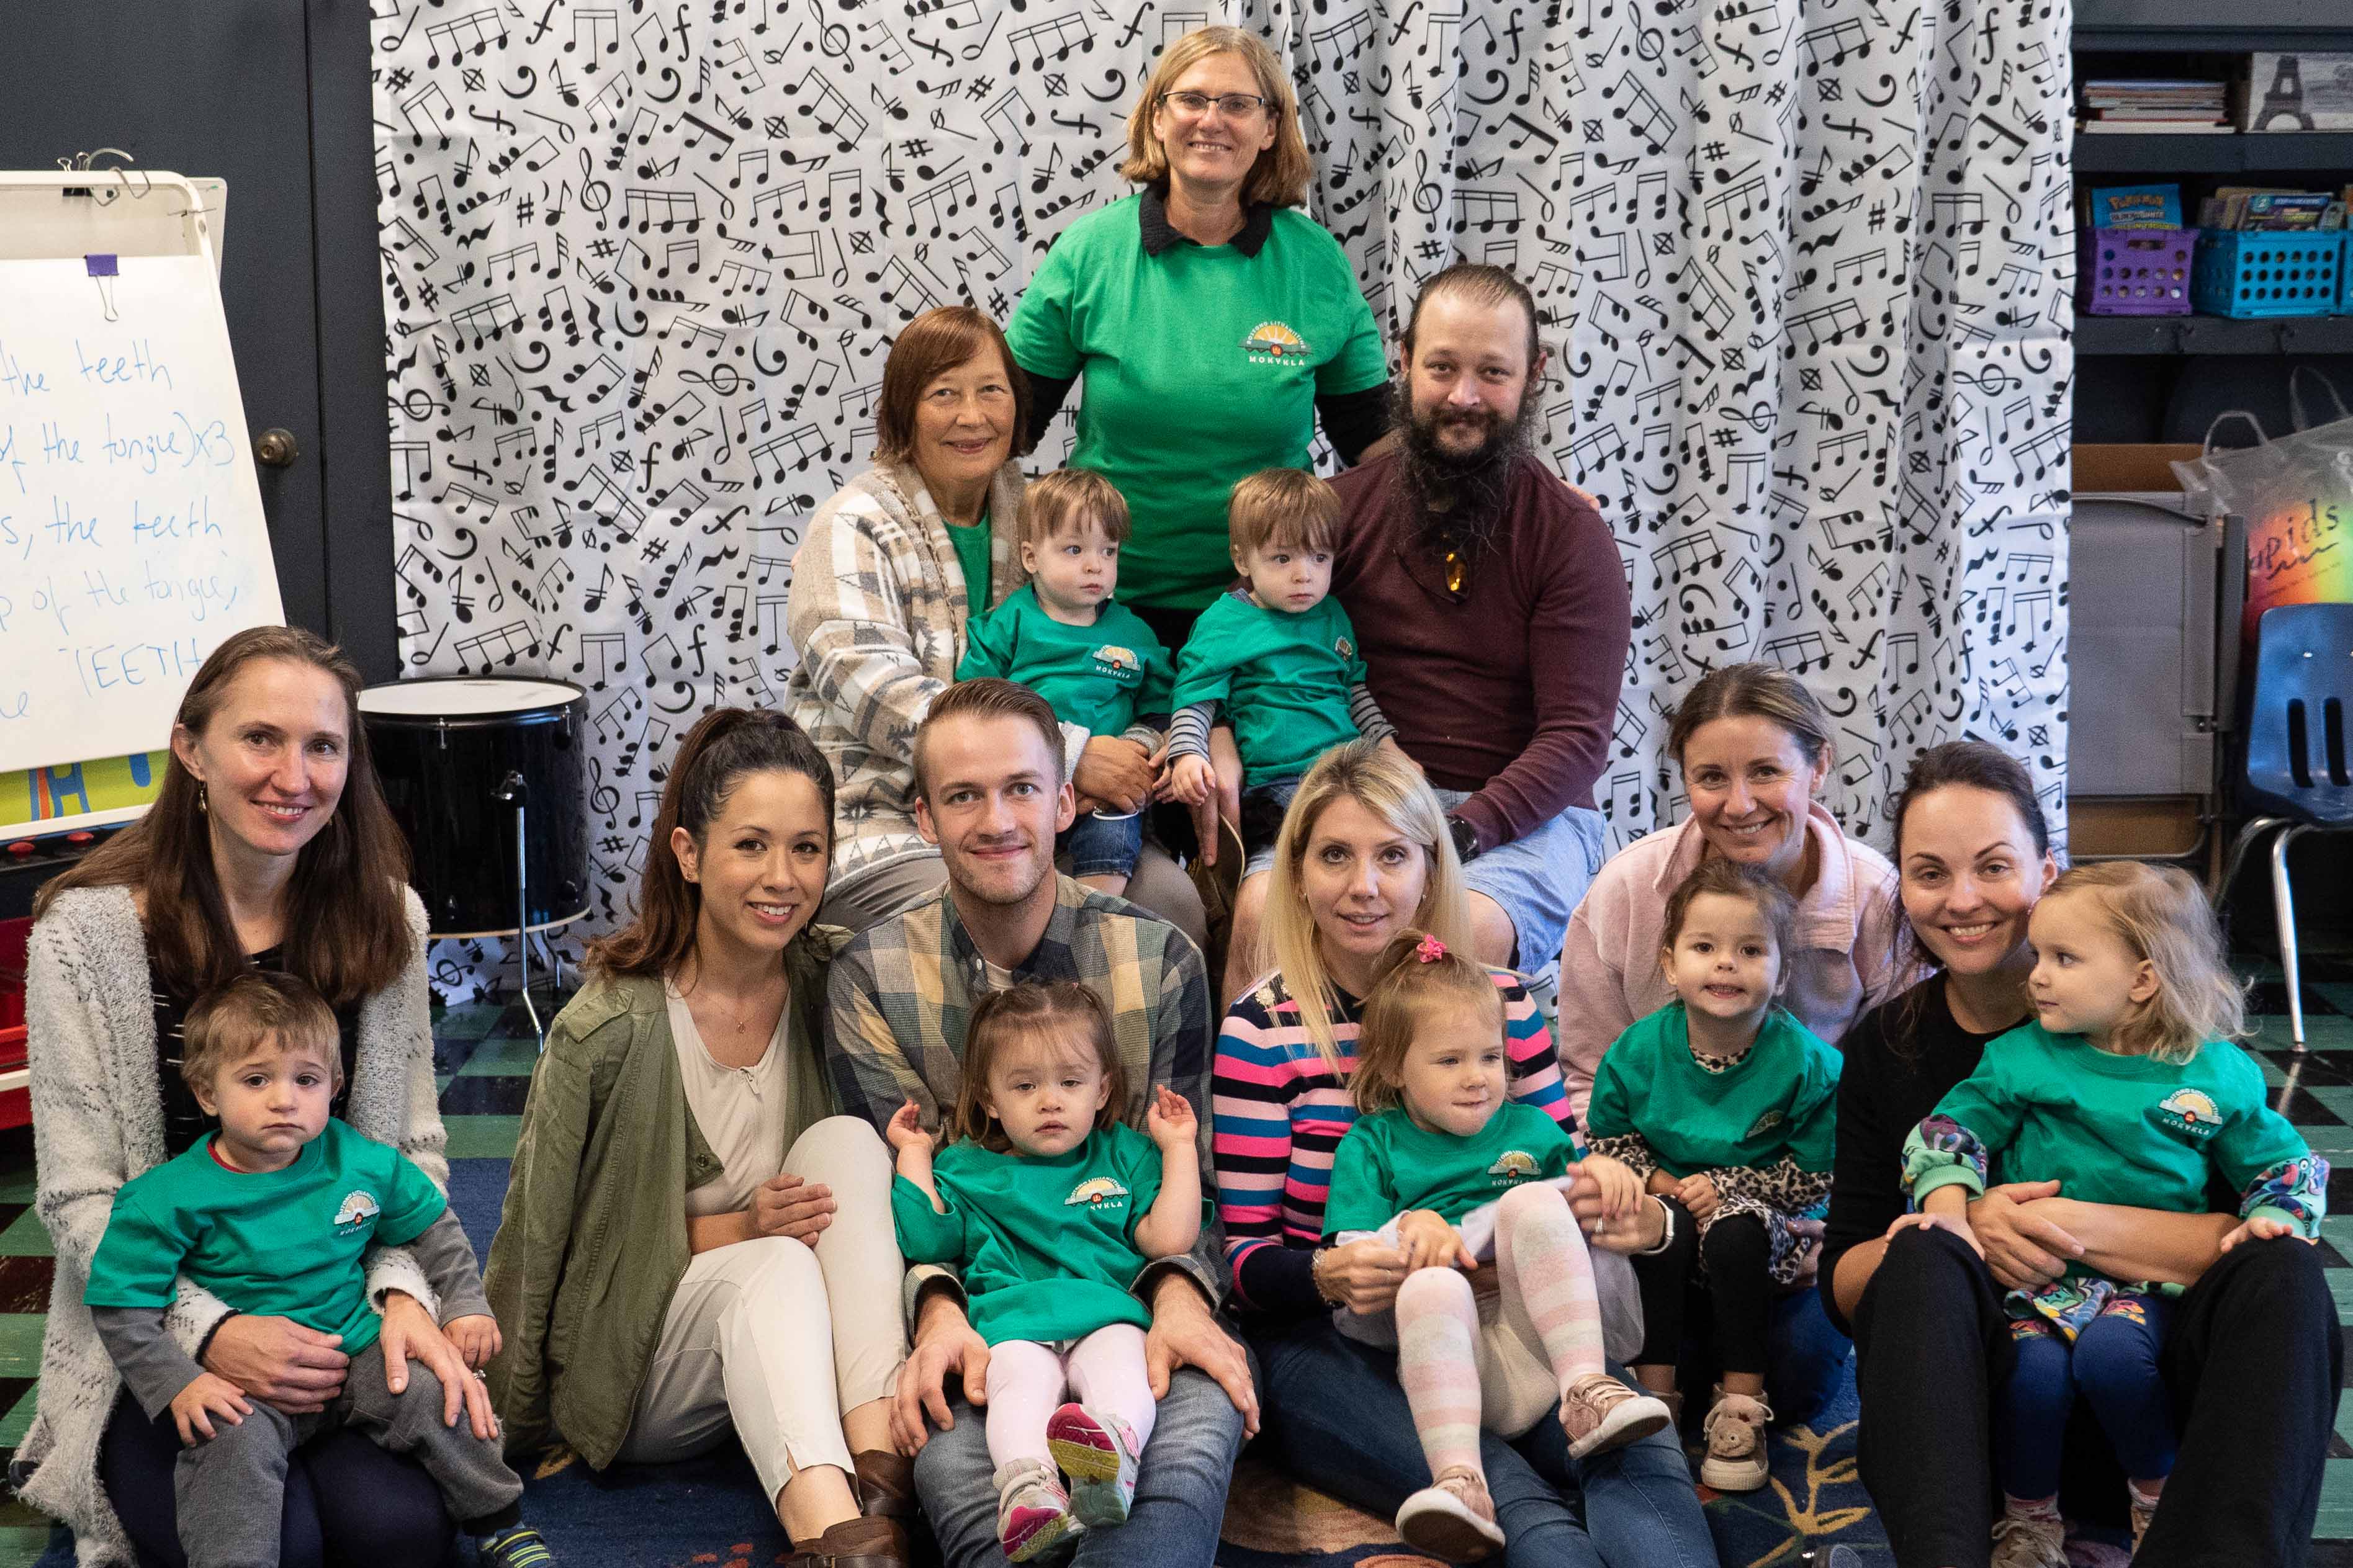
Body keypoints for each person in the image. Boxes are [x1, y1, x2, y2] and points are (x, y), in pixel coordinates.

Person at [1822, 740, 2344, 1568]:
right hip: (1986, 1425)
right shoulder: (1886, 1045)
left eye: (1992, 865)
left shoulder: (2179, 1052)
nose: (1961, 898)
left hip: (2152, 1397)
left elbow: (2241, 1233)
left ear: (2046, 874)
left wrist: (2060, 1223)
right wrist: (1961, 1223)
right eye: (1928, 872)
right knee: (1917, 1252)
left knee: (2286, 1276)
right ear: (1903, 889)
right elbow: (1845, 1285)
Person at [22, 625, 468, 1568]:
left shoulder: (388, 919)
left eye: (323, 745)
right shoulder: (84, 936)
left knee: (401, 1534)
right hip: (155, 1334)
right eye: (260, 737)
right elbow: (79, 1198)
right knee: (277, 1547)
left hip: (333, 1312)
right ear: (191, 749)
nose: (293, 776)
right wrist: (213, 1329)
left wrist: (399, 1291)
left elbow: (410, 1153)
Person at [1212, 740, 1717, 1568]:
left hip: (1515, 1301)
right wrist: (1328, 1273)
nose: (1364, 885)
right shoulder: (1260, 1030)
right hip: (1330, 1334)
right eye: (1334, 855)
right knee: (1499, 1492)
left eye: (1391, 855)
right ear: (1295, 875)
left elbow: (1553, 1173)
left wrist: (1613, 1206)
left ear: (1428, 869)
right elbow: (1242, 1260)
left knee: (1631, 1451)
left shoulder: (1502, 1000)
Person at [822, 678, 1251, 1568]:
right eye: (962, 796)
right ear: (923, 817)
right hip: (989, 1317)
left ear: (1064, 803)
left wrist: (1178, 1298)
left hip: (1131, 1301)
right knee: (957, 1468)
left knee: (1185, 1443)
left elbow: (1190, 1184)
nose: (996, 820)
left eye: (1020, 788)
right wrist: (938, 1314)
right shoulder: (871, 974)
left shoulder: (1158, 957)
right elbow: (907, 1207)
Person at [482, 708, 912, 1568]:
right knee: (775, 1260)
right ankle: (836, 1539)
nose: (781, 877)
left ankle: (884, 1479)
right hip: (643, 1356)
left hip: (802, 1348)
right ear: (687, 852)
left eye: (806, 848)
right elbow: (541, 1242)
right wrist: (503, 1423)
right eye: (751, 845)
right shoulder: (605, 1026)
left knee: (851, 1143)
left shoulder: (836, 978)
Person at [1223, 263, 1630, 981]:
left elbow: (1575, 740)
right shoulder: (1335, 512)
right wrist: (1216, 738)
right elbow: (1240, 640)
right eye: (1441, 367)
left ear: (1533, 375)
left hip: (1522, 819)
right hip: (1358, 799)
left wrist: (1453, 833)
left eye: (1491, 373)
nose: (1462, 396)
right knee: (1260, 915)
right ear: (1404, 362)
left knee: (1458, 930)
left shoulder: (1570, 534)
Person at [86, 973, 551, 1568]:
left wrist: (463, 1302)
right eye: (256, 1079)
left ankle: (501, 1525)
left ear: (335, 1087)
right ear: (206, 1092)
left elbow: (433, 1226)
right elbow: (121, 1306)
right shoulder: (164, 1197)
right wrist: (178, 1382)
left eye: (306, 1079)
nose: (285, 1099)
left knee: (439, 1390)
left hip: (356, 1353)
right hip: (245, 1383)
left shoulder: (358, 1160)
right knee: (228, 1444)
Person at [784, 305, 1205, 949]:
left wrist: (1135, 746)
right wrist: (1068, 755)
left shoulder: (1041, 517)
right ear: (903, 411)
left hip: (1046, 818)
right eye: (943, 394)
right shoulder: (852, 524)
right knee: (975, 919)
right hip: (890, 820)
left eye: (991, 391)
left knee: (1169, 909)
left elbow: (1112, 665)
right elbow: (877, 695)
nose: (971, 416)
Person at [1004, 25, 1390, 647]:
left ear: (1270, 128)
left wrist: (1502, 494)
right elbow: (1005, 425)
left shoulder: (1316, 263)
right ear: (1158, 119)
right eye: (1191, 100)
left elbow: (1377, 442)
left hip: (1270, 609)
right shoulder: (1089, 252)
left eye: (1237, 104)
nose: (1212, 120)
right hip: (1101, 604)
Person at [1321, 930, 1670, 1562]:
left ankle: (1588, 1392)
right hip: (1445, 1366)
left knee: (1532, 1202)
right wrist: (1407, 1228)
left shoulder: (1531, 1128)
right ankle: (1461, 1483)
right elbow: (1353, 1262)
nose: (1476, 1078)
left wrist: (1607, 1176)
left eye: (1489, 1056)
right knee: (1432, 1282)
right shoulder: (1372, 1143)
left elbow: (1577, 1211)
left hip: (1542, 1346)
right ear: (1395, 1069)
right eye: (1448, 1060)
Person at [886, 983, 1202, 1561]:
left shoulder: (1123, 1153)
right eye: (1025, 1086)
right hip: (1010, 1324)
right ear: (989, 1099)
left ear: (1102, 1088)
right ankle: (1028, 1488)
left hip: (1106, 1314)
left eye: (1070, 1082)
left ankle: (1112, 1455)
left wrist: (1179, 1147)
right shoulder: (965, 1166)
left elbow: (1169, 1238)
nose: (1049, 1102)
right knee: (1016, 1388)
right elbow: (928, 1240)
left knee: (1122, 1368)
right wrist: (914, 1154)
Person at [1582, 859, 1842, 1494]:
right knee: (1657, 1226)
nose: (1725, 963)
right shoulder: (1638, 1049)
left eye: (1750, 950)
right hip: (1667, 1210)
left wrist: (1725, 1188)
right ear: (1670, 964)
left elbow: (1813, 1177)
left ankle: (1741, 1406)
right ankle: (1655, 1400)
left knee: (1734, 1231)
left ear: (1781, 973)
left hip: (1764, 1231)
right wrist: (1664, 1185)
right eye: (1704, 947)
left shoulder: (1809, 1063)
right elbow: (1608, 1141)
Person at [1558, 660, 1906, 1114]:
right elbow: (1590, 1077)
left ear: (1819, 766)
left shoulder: (1880, 899)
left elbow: (1892, 1090)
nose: (1739, 806)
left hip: (1816, 1150)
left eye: (1765, 772)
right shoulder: (1627, 888)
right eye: (1712, 777)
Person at [1161, 470, 1403, 985]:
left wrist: (1388, 747)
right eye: (1282, 559)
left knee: (1399, 850)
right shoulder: (1224, 623)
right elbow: (1195, 698)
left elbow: (1354, 691)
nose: (1303, 576)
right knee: (1296, 876)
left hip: (1351, 773)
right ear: (1242, 560)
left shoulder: (1332, 615)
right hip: (1277, 786)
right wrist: (1188, 755)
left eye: (1319, 558)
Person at [955, 468, 1175, 900]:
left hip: (1109, 790)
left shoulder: (1134, 633)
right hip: (1023, 778)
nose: (1095, 565)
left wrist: (1141, 747)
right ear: (1031, 557)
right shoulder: (1011, 621)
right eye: (1074, 549)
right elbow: (973, 703)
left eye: (1108, 551)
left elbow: (1160, 709)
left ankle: (1093, 914)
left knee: (1112, 835)